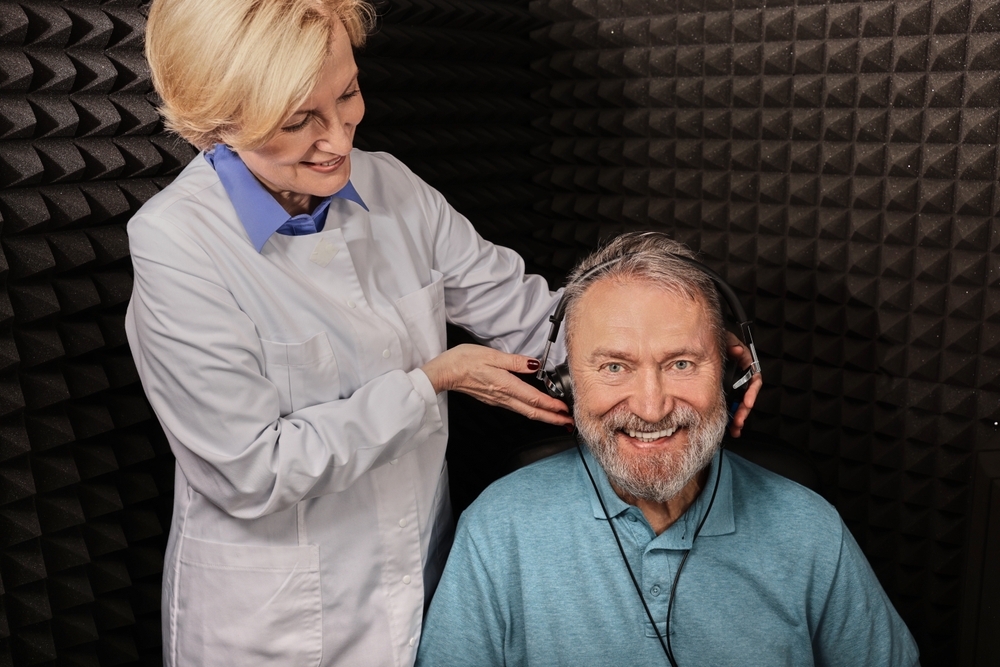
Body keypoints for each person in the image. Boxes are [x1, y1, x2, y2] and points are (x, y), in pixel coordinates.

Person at [130, 0, 759, 663]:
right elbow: (252, 470)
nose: (340, 139)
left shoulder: (393, 187)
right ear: (216, 127)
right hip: (275, 630)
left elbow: (537, 322)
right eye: (297, 123)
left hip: (418, 593)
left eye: (347, 95)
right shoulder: (177, 245)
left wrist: (703, 344)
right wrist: (432, 380)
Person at [416, 233, 919, 667]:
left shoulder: (810, 530)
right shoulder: (498, 529)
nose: (652, 408)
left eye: (681, 363)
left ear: (729, 374)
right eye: (615, 367)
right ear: (566, 383)